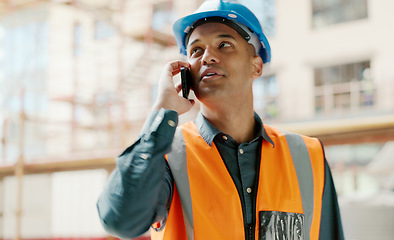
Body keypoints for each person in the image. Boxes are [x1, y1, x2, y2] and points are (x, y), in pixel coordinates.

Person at [97, 0, 344, 239]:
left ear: (256, 66)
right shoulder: (166, 155)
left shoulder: (307, 155)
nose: (207, 57)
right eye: (196, 50)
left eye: (224, 44)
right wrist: (162, 112)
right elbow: (120, 221)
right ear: (186, 73)